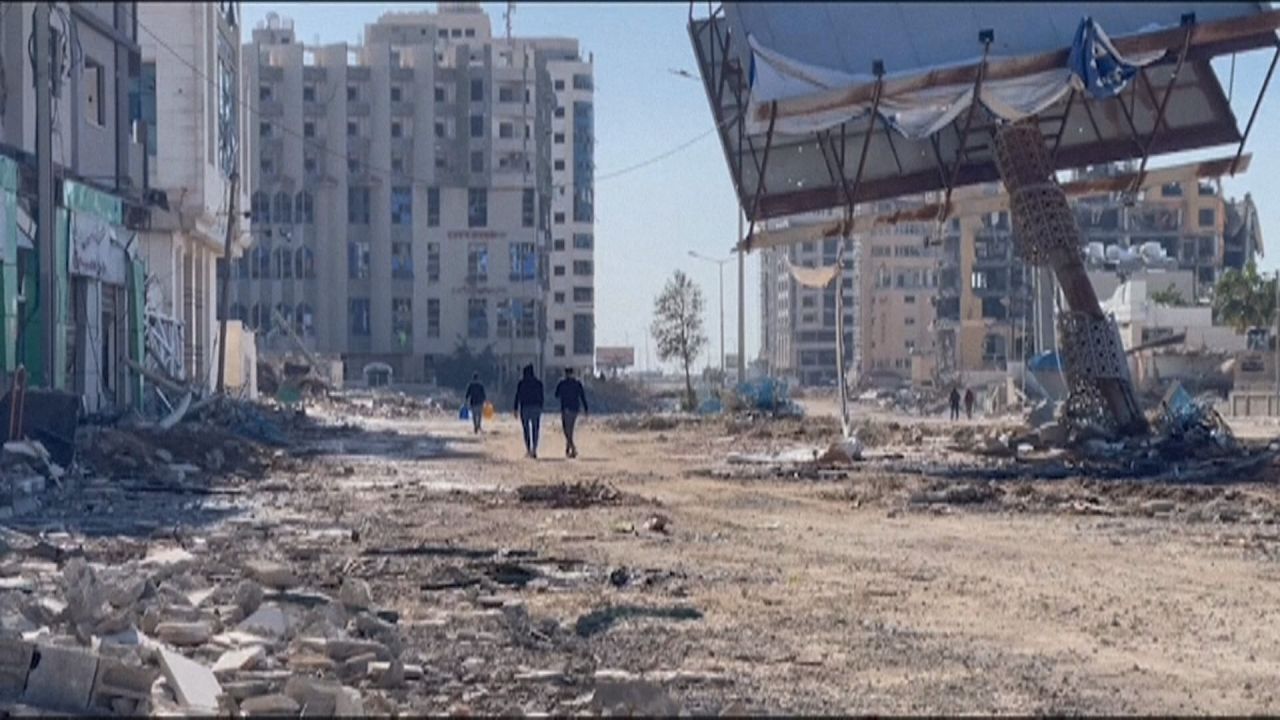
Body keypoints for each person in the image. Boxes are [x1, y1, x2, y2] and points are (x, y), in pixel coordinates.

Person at [554, 368, 589, 458]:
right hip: (574, 408)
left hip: (565, 408)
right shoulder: (577, 383)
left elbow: (556, 395)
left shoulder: (562, 383)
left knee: (566, 430)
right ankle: (569, 448)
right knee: (570, 429)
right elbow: (582, 396)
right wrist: (586, 409)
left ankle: (572, 448)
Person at [513, 364, 544, 458]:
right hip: (536, 408)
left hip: (525, 408)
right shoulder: (539, 383)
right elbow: (541, 396)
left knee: (526, 430)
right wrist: (541, 407)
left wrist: (515, 408)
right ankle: (534, 449)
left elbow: (517, 396)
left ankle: (528, 449)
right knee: (535, 429)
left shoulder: (521, 383)